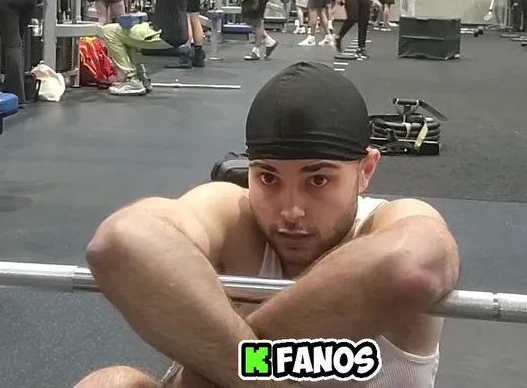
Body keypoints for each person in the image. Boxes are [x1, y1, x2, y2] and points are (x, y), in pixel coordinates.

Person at [77, 62, 459, 387]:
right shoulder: (235, 216)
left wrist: (225, 365)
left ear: (366, 170)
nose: (290, 210)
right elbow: (121, 242)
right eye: (268, 178)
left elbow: (411, 266)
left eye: (318, 180)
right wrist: (258, 377)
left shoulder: (385, 223)